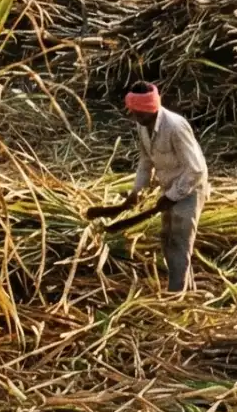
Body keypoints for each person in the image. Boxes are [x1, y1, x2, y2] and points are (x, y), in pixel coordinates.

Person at [87, 82, 209, 293]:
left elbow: (196, 170)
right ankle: (186, 290)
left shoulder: (175, 127)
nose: (133, 116)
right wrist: (136, 192)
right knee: (167, 240)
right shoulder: (143, 126)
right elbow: (145, 161)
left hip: (190, 188)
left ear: (148, 109)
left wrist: (171, 196)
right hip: (169, 188)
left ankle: (176, 295)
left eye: (137, 112)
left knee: (179, 242)